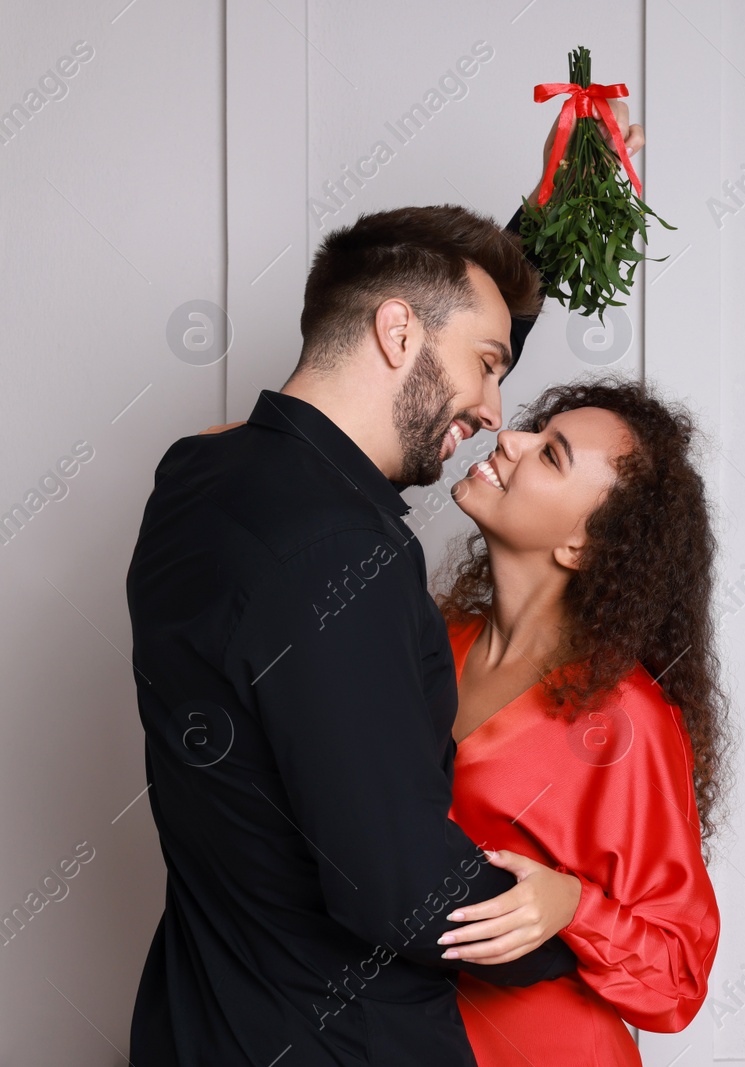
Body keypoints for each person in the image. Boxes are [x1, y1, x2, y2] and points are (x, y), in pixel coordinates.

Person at [125, 108, 646, 1066]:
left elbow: (444, 323)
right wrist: (575, 923)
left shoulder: (195, 477)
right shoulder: (343, 554)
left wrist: (548, 218)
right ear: (396, 331)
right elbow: (395, 886)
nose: (494, 415)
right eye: (490, 368)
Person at [424, 377, 728, 1065]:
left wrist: (571, 905)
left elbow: (678, 978)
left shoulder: (628, 720)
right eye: (538, 429)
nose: (510, 439)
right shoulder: (432, 642)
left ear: (583, 545)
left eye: (551, 455)